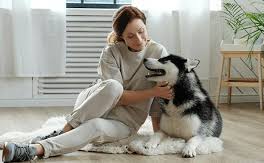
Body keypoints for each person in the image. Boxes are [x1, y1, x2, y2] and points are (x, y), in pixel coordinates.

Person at [2, 5, 172, 162]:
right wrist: (153, 92)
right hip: (96, 103)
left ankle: (32, 150)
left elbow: (161, 96)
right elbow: (118, 97)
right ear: (121, 37)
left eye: (142, 31)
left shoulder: (159, 52)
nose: (139, 40)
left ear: (146, 26)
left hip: (125, 123)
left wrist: (157, 132)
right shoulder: (111, 52)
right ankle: (66, 130)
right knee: (114, 86)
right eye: (130, 36)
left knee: (95, 126)